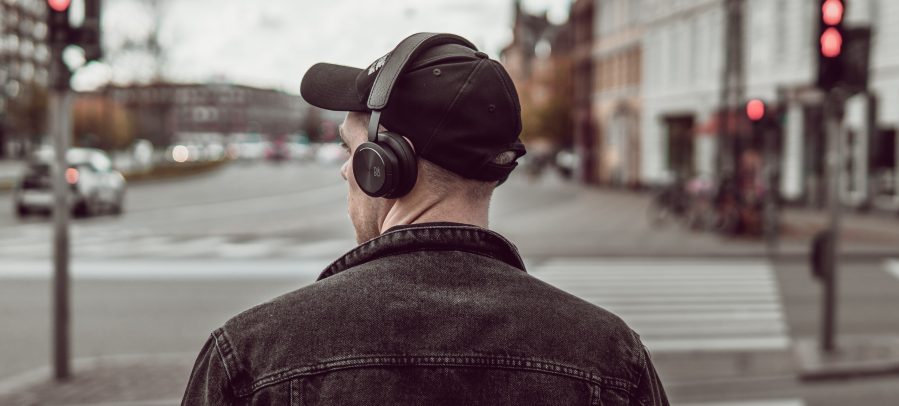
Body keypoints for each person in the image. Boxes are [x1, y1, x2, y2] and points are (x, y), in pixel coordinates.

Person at [182, 32, 668, 405]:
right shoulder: (608, 356)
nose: (343, 172)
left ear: (383, 165)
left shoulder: (250, 354)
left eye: (350, 151)